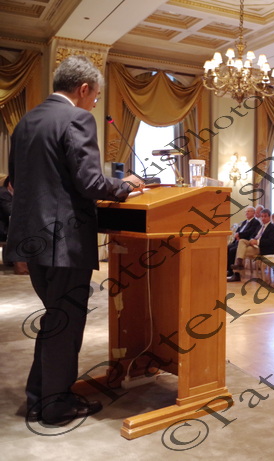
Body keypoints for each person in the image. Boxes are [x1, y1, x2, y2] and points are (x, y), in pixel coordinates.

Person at [6, 56, 141, 425]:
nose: (94, 103)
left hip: (31, 241)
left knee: (55, 319)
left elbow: (14, 181)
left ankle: (40, 398)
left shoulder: (26, 121)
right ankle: (56, 406)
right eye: (95, 96)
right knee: (65, 323)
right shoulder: (77, 118)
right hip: (63, 242)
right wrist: (125, 185)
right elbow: (91, 182)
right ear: (83, 89)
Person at [228, 208, 274, 282]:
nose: (263, 218)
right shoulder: (260, 226)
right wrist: (252, 240)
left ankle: (236, 274)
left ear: (269, 217)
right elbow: (253, 235)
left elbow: (271, 241)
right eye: (262, 216)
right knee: (241, 241)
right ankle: (239, 264)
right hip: (253, 244)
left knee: (240, 250)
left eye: (265, 216)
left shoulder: (273, 227)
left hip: (262, 248)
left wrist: (257, 242)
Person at [226, 207, 261, 278]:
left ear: (253, 213)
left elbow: (250, 232)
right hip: (238, 240)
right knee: (228, 247)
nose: (247, 213)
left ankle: (233, 271)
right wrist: (237, 235)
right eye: (246, 211)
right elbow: (238, 230)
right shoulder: (244, 222)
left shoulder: (255, 222)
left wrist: (239, 235)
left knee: (233, 250)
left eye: (249, 211)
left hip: (245, 241)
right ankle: (228, 269)